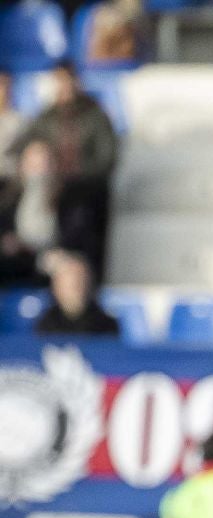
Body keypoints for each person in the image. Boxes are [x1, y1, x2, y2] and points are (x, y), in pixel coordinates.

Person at [14, 63, 117, 273]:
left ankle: (85, 273)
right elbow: (23, 147)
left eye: (69, 80)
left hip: (86, 187)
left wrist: (73, 175)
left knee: (82, 214)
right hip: (53, 186)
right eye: (60, 81)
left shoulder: (95, 115)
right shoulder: (46, 118)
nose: (65, 86)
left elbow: (107, 158)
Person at [0, 141, 59, 286]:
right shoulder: (7, 200)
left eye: (44, 165)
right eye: (33, 166)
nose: (39, 173)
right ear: (22, 166)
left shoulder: (67, 202)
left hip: (52, 274)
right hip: (12, 270)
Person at [33, 249, 120, 336]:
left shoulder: (106, 325)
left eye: (81, 280)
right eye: (70, 284)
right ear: (56, 286)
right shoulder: (45, 326)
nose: (77, 287)